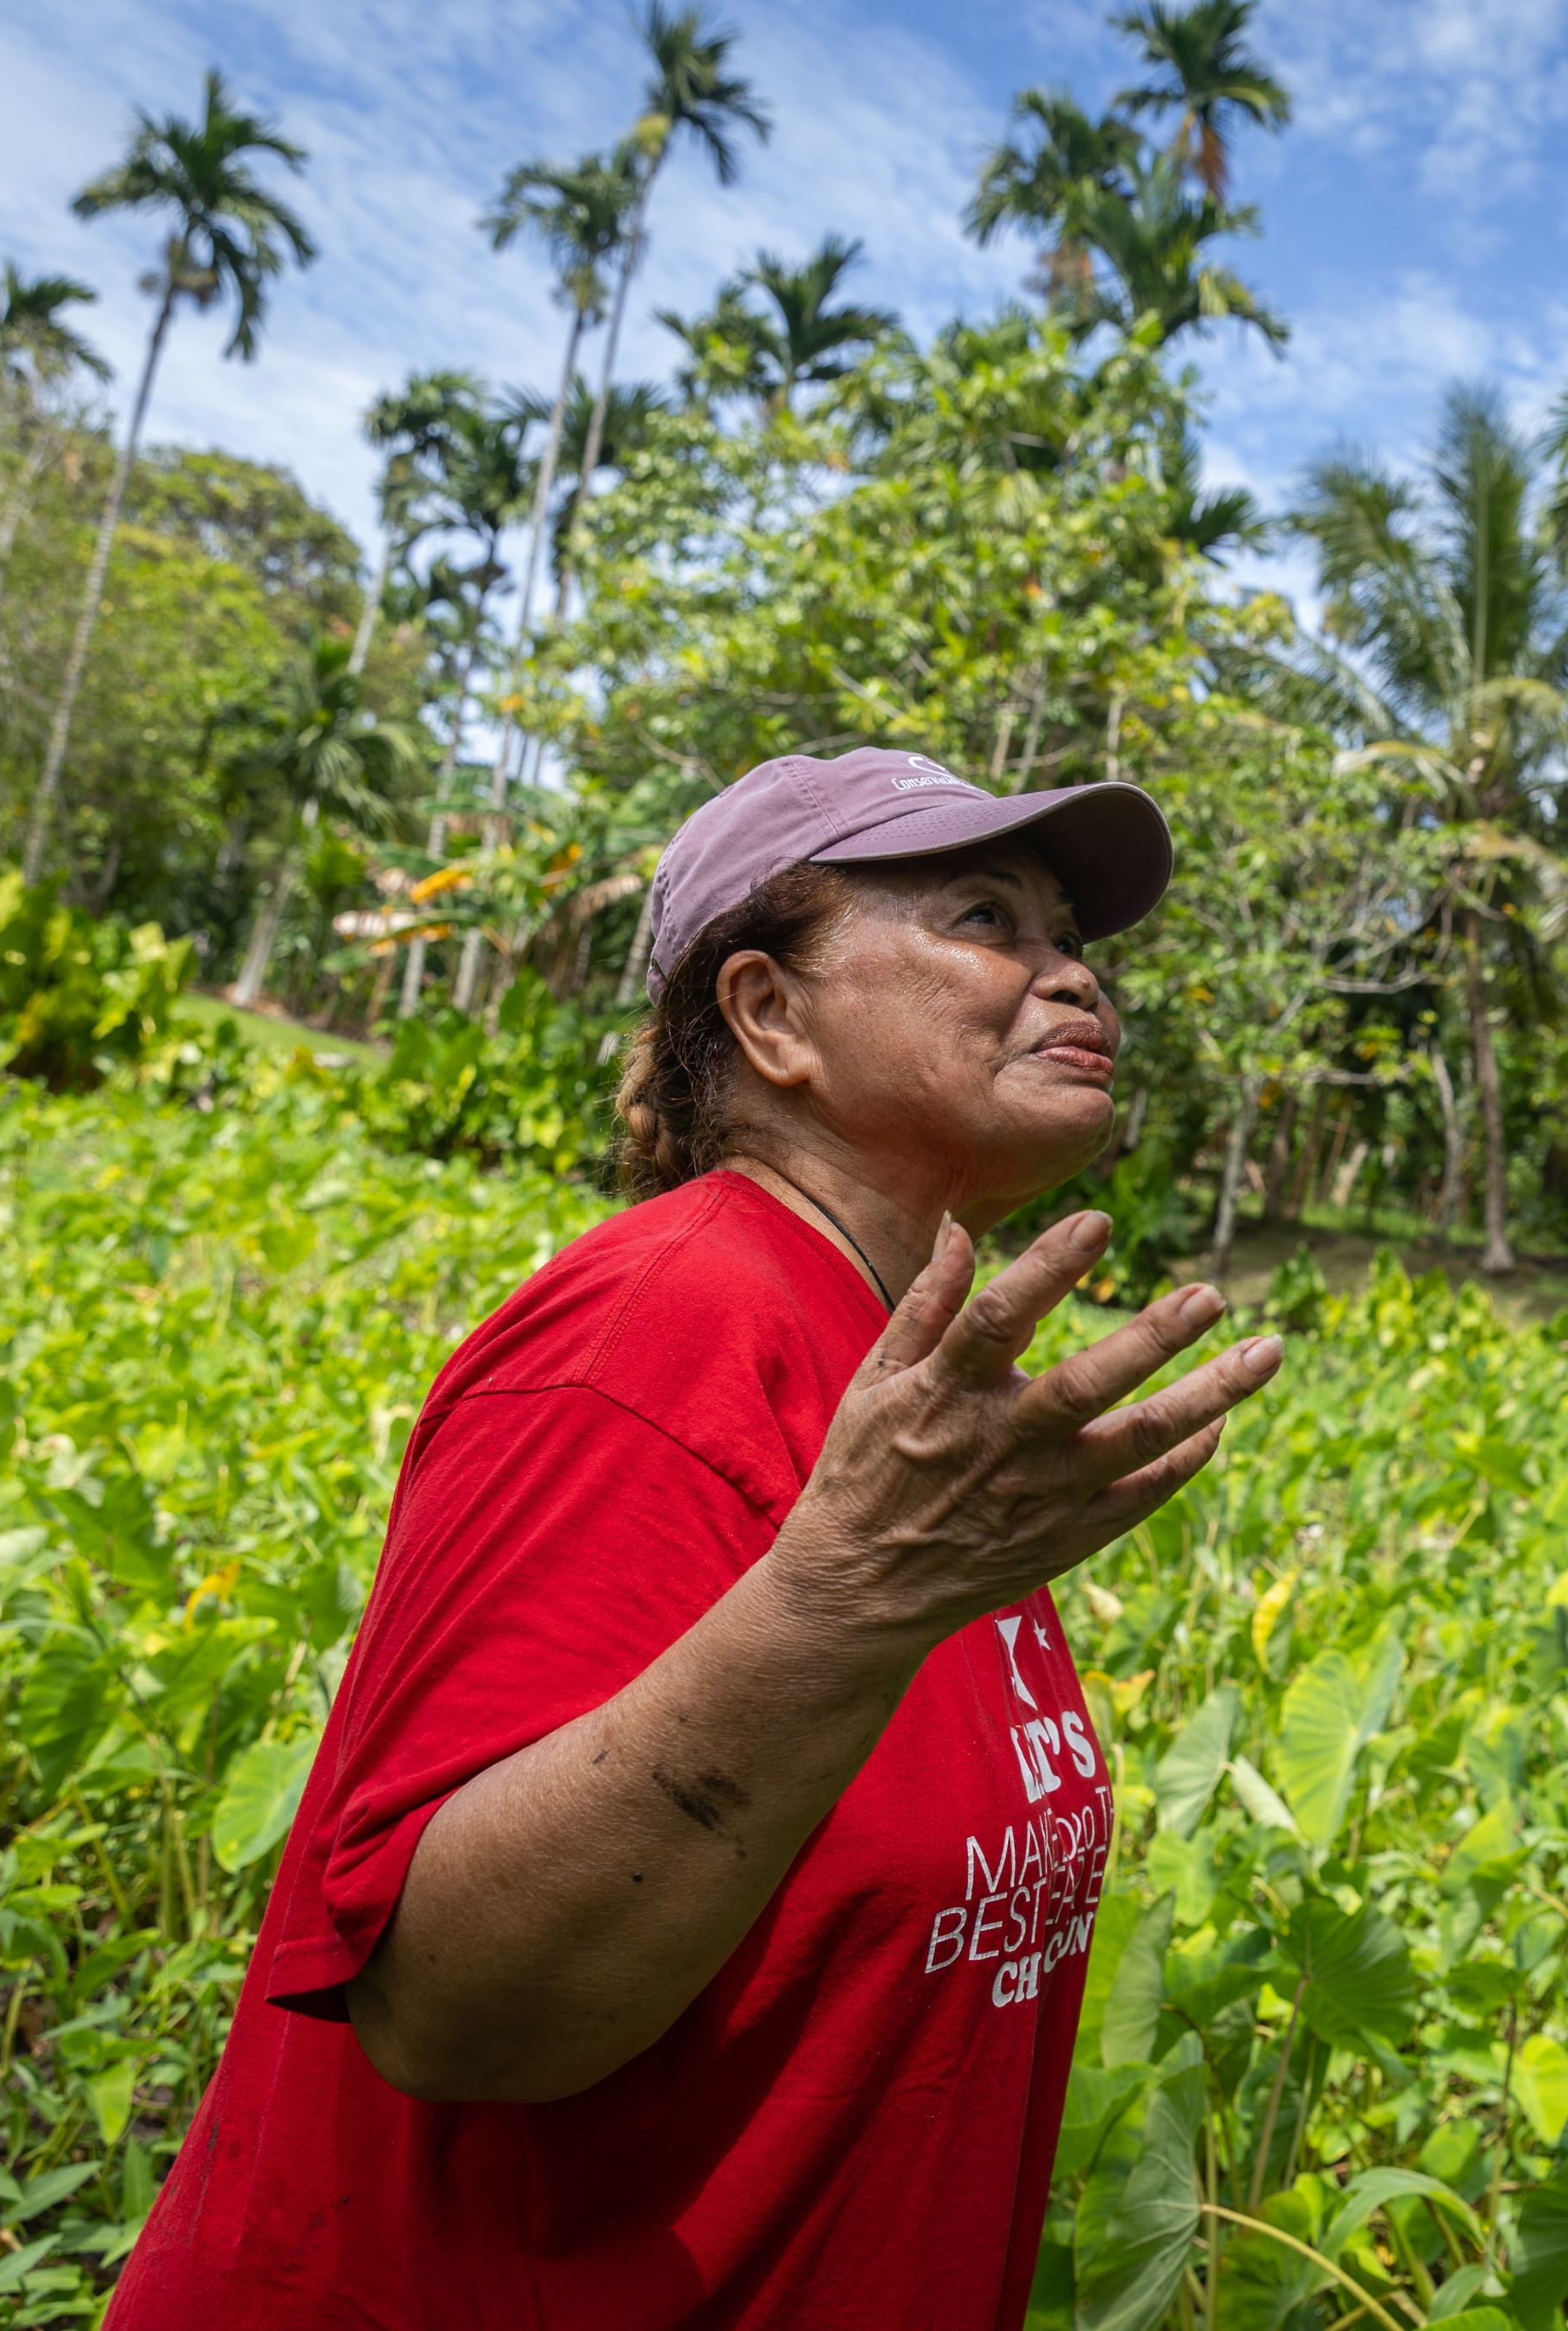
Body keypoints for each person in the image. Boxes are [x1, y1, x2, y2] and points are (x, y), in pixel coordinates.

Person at [112, 748, 1283, 2328]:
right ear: (771, 1014)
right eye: (984, 915)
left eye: (1069, 930)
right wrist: (842, 1602)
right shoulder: (666, 1326)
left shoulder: (902, 1385)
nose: (1071, 973)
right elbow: (454, 2011)